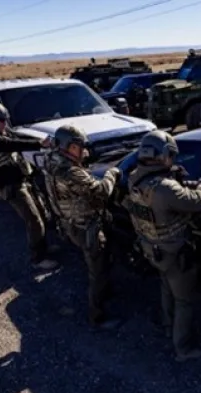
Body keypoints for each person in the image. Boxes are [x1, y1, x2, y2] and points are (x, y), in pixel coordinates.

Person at [121, 130, 201, 362]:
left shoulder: (136, 178)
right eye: (171, 156)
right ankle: (184, 347)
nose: (173, 160)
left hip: (152, 248)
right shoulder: (164, 187)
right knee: (184, 300)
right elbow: (197, 202)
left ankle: (167, 324)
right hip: (174, 251)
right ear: (162, 156)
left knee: (166, 286)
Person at [43, 124, 124, 331]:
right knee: (96, 270)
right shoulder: (70, 172)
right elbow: (100, 191)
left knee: (100, 263)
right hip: (85, 227)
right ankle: (97, 316)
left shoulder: (51, 160)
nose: (83, 151)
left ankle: (106, 291)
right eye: (79, 146)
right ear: (69, 147)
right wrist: (112, 174)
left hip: (70, 223)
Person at [0, 99, 58, 270]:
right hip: (11, 186)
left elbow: (17, 138)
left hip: (22, 181)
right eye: (2, 120)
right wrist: (39, 144)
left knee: (40, 213)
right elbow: (6, 144)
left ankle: (43, 248)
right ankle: (37, 259)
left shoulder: (1, 131)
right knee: (33, 220)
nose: (5, 124)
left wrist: (40, 139)